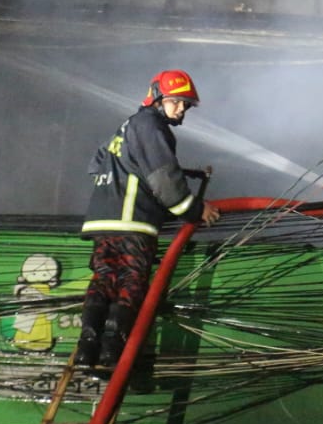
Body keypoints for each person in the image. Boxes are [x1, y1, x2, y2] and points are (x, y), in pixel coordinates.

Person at [76, 69, 220, 369]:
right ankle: (112, 352)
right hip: (133, 223)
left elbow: (96, 164)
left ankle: (87, 346)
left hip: (104, 222)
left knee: (104, 280)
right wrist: (196, 209)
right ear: (156, 98)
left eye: (185, 104)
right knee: (131, 282)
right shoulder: (151, 125)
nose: (181, 109)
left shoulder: (127, 126)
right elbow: (164, 180)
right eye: (175, 101)